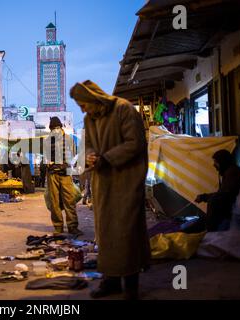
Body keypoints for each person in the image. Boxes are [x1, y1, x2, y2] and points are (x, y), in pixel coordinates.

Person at [70, 80, 150, 300]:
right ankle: (111, 281)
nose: (82, 110)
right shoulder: (89, 119)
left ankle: (131, 285)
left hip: (126, 181)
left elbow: (135, 143)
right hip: (103, 183)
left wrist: (107, 158)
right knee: (105, 233)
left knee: (127, 232)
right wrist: (90, 155)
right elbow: (87, 145)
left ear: (95, 98)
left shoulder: (124, 108)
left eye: (84, 104)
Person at [44, 116, 82, 236]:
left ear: (61, 127)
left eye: (57, 127)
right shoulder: (47, 141)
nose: (56, 129)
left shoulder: (69, 139)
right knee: (54, 201)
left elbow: (75, 153)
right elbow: (45, 157)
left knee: (69, 200)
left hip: (66, 173)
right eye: (54, 128)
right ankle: (58, 227)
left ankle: (72, 226)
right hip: (52, 174)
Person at [195, 149, 240, 231]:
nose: (214, 165)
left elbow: (225, 195)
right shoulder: (229, 172)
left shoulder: (233, 173)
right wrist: (204, 197)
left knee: (214, 202)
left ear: (222, 162)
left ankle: (210, 233)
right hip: (235, 206)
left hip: (239, 209)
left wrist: (204, 197)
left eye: (216, 162)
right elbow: (223, 193)